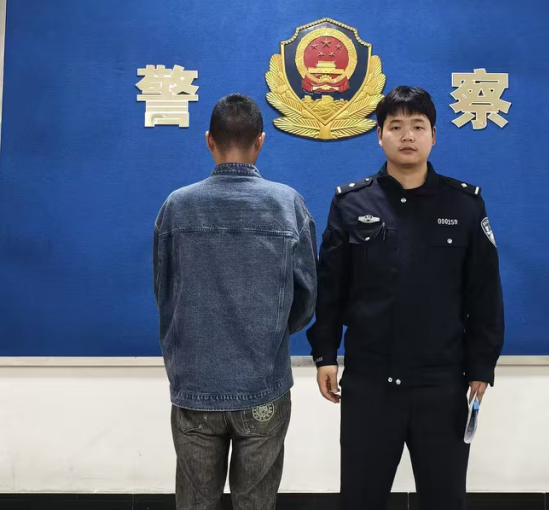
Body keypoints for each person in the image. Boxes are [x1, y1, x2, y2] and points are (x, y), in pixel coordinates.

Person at [307, 86, 505, 510]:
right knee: (360, 499)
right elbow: (330, 288)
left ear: (434, 135)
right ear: (379, 135)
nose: (407, 135)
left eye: (418, 126)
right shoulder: (350, 203)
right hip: (369, 384)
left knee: (444, 499)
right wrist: (325, 354)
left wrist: (481, 366)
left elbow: (485, 294)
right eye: (395, 126)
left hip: (442, 384)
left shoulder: (464, 204)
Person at [153, 94, 317, 510]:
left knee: (195, 503)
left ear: (209, 140)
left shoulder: (177, 206)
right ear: (260, 141)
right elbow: (307, 298)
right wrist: (273, 331)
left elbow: (164, 292)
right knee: (255, 503)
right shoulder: (288, 204)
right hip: (263, 384)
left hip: (195, 386)